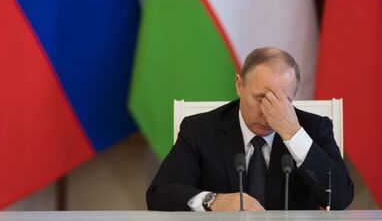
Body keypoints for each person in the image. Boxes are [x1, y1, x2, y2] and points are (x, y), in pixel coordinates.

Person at [147, 47, 354, 211]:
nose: (268, 113)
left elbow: (340, 198)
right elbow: (159, 193)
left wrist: (293, 134)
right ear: (239, 85)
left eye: (281, 101)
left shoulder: (314, 129)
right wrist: (213, 201)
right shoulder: (200, 130)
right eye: (261, 98)